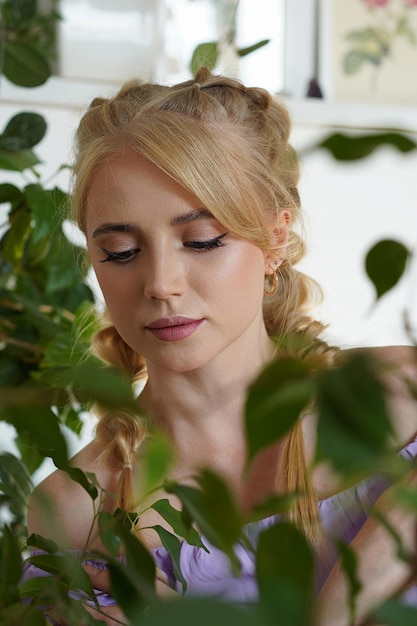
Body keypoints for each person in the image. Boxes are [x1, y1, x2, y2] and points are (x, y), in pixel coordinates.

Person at [23, 67, 417, 625]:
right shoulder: (76, 514)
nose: (162, 284)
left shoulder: (400, 398)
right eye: (120, 251)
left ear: (276, 237)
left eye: (203, 241)